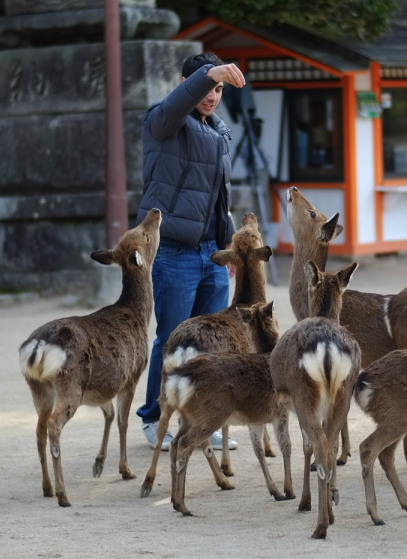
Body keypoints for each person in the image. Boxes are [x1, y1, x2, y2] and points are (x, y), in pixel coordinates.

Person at [135, 52, 246, 451]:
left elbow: (221, 200)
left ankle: (201, 420)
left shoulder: (219, 135)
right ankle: (152, 418)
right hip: (172, 254)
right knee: (170, 339)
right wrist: (209, 73)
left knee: (208, 344)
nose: (213, 95)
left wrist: (228, 245)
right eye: (207, 86)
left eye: (219, 89)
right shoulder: (163, 121)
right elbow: (177, 103)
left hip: (210, 255)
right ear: (188, 83)